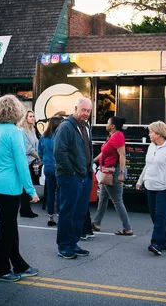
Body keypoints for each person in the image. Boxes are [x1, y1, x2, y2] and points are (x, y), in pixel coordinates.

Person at [0, 94, 39, 282]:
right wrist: (31, 191)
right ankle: (0, 270)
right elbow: (21, 164)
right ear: (17, 111)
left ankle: (18, 264)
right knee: (7, 229)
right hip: (9, 186)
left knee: (10, 226)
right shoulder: (15, 132)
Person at [54, 97, 94, 259]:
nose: (86, 113)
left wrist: (89, 170)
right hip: (70, 177)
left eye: (89, 111)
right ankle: (64, 246)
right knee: (67, 212)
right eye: (83, 110)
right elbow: (59, 152)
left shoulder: (85, 126)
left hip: (84, 176)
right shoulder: (66, 127)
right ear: (75, 108)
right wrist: (71, 172)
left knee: (79, 212)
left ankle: (73, 243)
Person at [136, 121, 166, 255]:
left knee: (160, 215)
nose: (149, 134)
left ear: (159, 133)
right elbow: (147, 165)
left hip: (164, 187)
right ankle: (164, 242)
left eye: (151, 132)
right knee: (154, 215)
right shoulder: (151, 146)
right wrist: (140, 180)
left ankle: (155, 243)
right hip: (150, 185)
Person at [92, 116, 133, 236]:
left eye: (107, 122)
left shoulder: (118, 136)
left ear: (113, 126)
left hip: (113, 172)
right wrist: (93, 161)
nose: (106, 124)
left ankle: (127, 228)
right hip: (108, 171)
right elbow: (104, 152)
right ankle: (96, 223)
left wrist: (121, 173)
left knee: (117, 200)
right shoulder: (112, 136)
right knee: (103, 198)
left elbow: (122, 155)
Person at [38, 116, 63, 226]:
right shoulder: (59, 137)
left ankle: (50, 217)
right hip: (59, 166)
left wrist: (44, 161)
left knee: (50, 192)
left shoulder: (43, 137)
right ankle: (59, 215)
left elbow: (40, 152)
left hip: (47, 167)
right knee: (60, 192)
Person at [18, 110, 41, 218]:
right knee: (26, 186)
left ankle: (26, 209)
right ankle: (24, 210)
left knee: (29, 185)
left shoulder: (32, 130)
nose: (32, 118)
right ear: (25, 118)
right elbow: (28, 148)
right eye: (30, 116)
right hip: (26, 161)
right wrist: (39, 157)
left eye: (33, 116)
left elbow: (36, 145)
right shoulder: (22, 131)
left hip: (32, 161)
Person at [81, 172, 98, 240]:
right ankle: (88, 230)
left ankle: (83, 231)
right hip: (89, 176)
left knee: (80, 206)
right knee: (84, 205)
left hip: (82, 176)